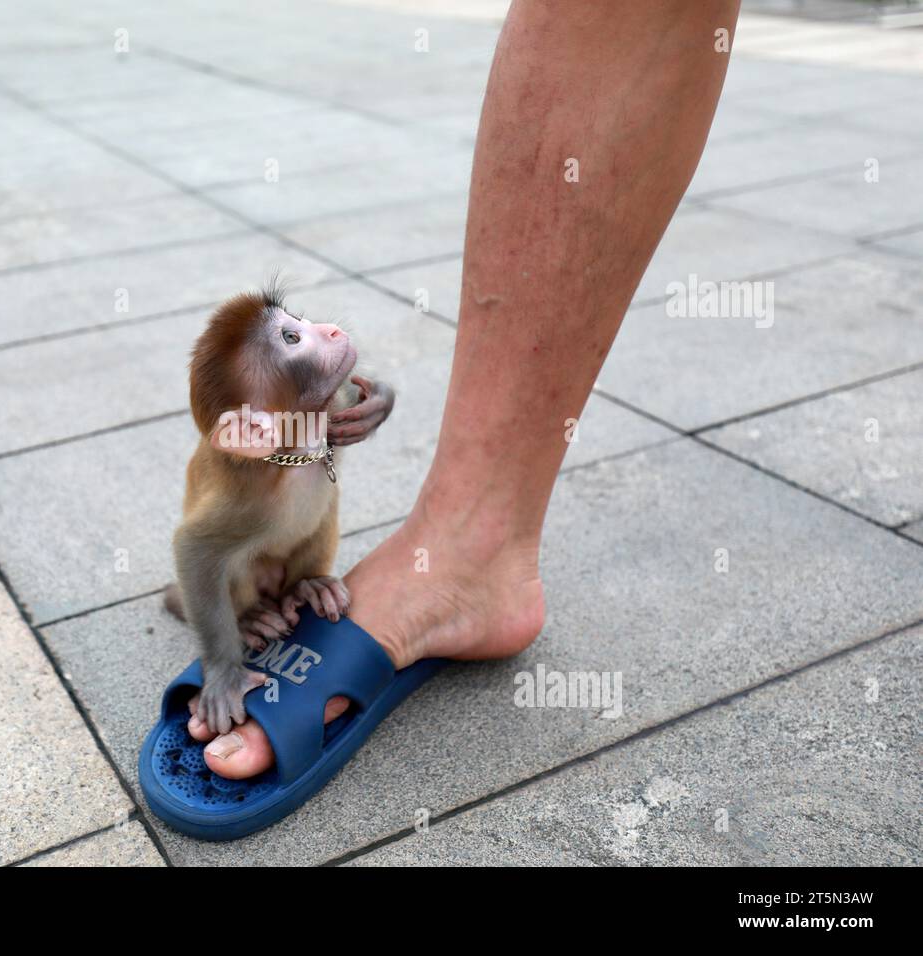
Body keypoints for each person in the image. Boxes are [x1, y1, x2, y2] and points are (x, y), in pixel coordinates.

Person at [187, 0, 741, 779]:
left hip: (293, 533)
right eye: (294, 341)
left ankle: (469, 545)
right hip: (247, 556)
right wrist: (222, 657)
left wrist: (369, 403)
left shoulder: (297, 423)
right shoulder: (250, 465)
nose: (325, 330)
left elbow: (339, 413)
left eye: (299, 320)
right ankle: (473, 541)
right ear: (249, 432)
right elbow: (198, 551)